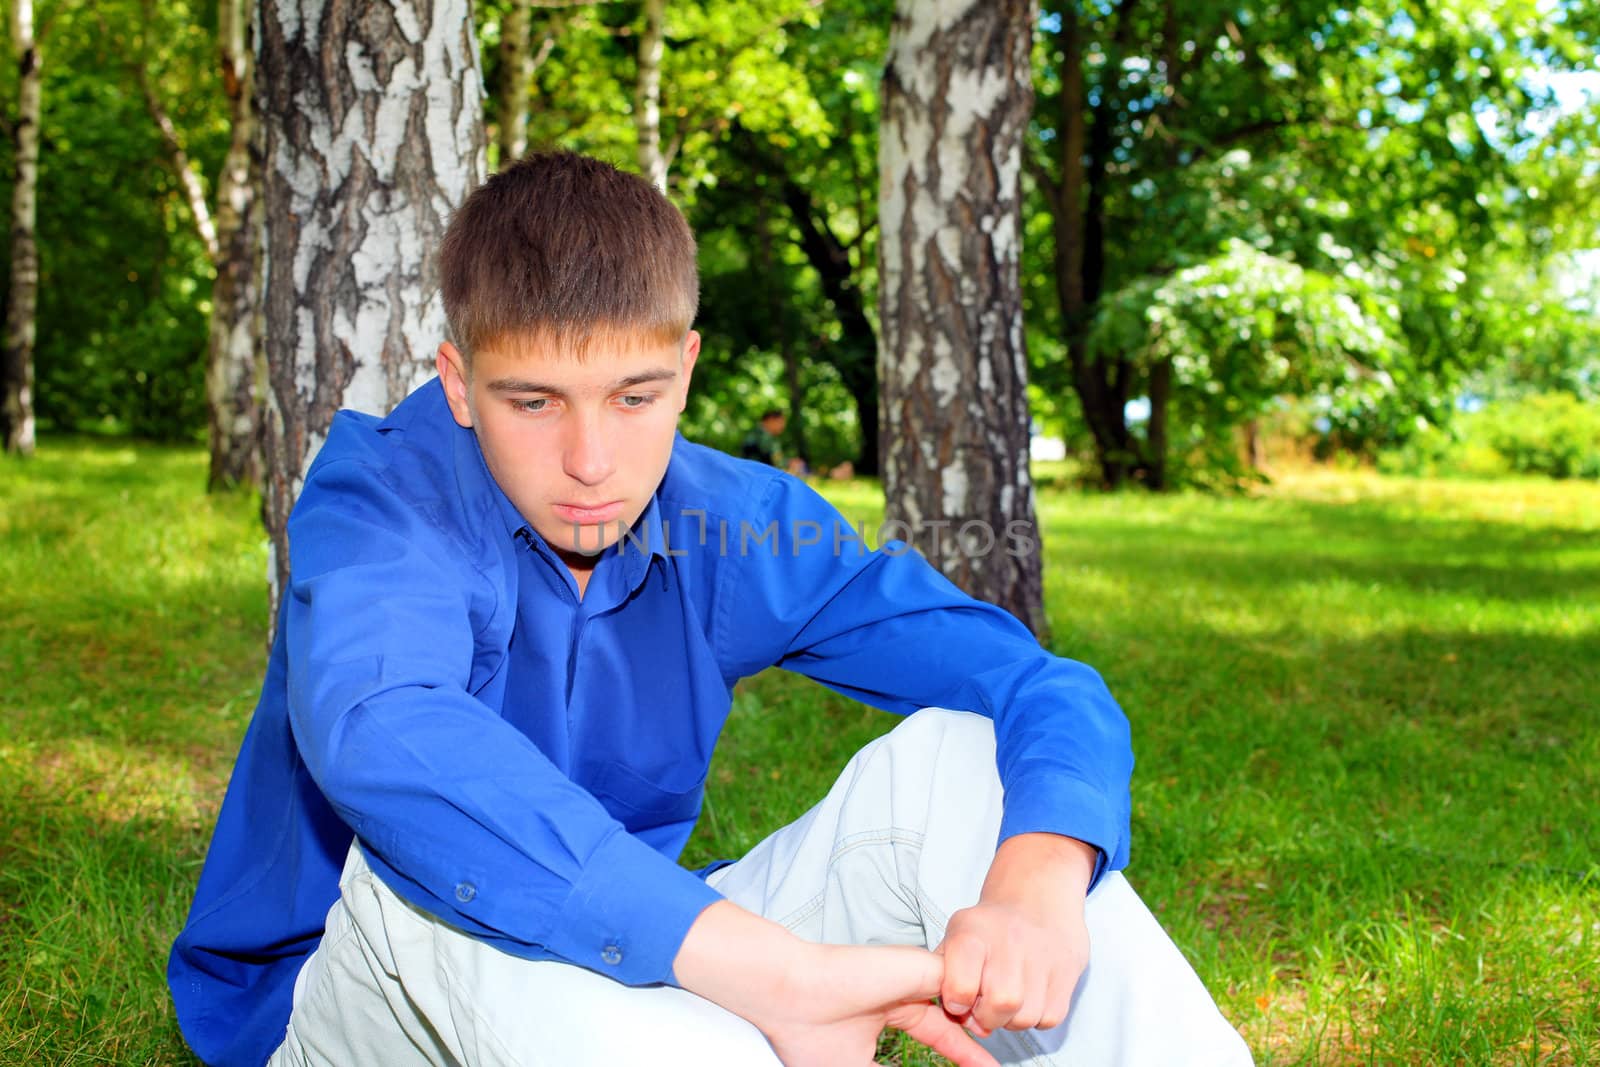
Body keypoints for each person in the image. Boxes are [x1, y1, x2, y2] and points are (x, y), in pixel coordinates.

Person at [169, 150, 1252, 1067]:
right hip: (365, 990)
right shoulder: (382, 498)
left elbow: (1031, 682)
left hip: (637, 962)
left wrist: (1035, 881)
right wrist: (780, 974)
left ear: (685, 371)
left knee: (962, 761)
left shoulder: (733, 523)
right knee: (439, 853)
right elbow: (384, 731)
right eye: (532, 400)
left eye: (634, 397)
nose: (591, 460)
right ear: (458, 383)